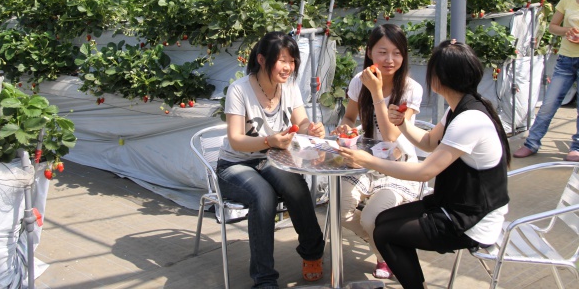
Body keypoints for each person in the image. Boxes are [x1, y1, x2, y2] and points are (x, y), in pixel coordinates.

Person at [338, 39, 510, 289]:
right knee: (382, 221)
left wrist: (367, 159)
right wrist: (403, 123)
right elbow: (429, 141)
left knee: (384, 232)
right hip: (454, 203)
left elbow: (423, 172)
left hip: (471, 219)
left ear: (439, 78)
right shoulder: (459, 109)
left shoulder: (469, 120)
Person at [216, 31, 326, 289]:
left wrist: (311, 129)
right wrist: (270, 141)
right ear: (262, 59)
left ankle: (312, 253)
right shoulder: (239, 90)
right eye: (282, 60)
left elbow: (301, 122)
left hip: (270, 160)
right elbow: (236, 140)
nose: (288, 67)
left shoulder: (289, 88)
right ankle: (264, 279)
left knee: (294, 185)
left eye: (292, 60)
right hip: (235, 166)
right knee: (262, 195)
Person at [331, 23, 422, 279]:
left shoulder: (411, 89)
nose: (390, 60)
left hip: (398, 165)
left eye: (397, 53)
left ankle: (386, 252)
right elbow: (349, 118)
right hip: (364, 161)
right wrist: (345, 130)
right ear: (370, 52)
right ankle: (386, 249)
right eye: (382, 52)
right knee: (339, 209)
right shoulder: (359, 82)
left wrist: (377, 92)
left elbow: (392, 135)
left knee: (372, 219)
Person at [514, 0, 579, 162]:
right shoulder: (568, 0)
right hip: (566, 60)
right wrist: (568, 32)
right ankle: (531, 143)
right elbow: (552, 27)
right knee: (548, 104)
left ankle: (576, 147)